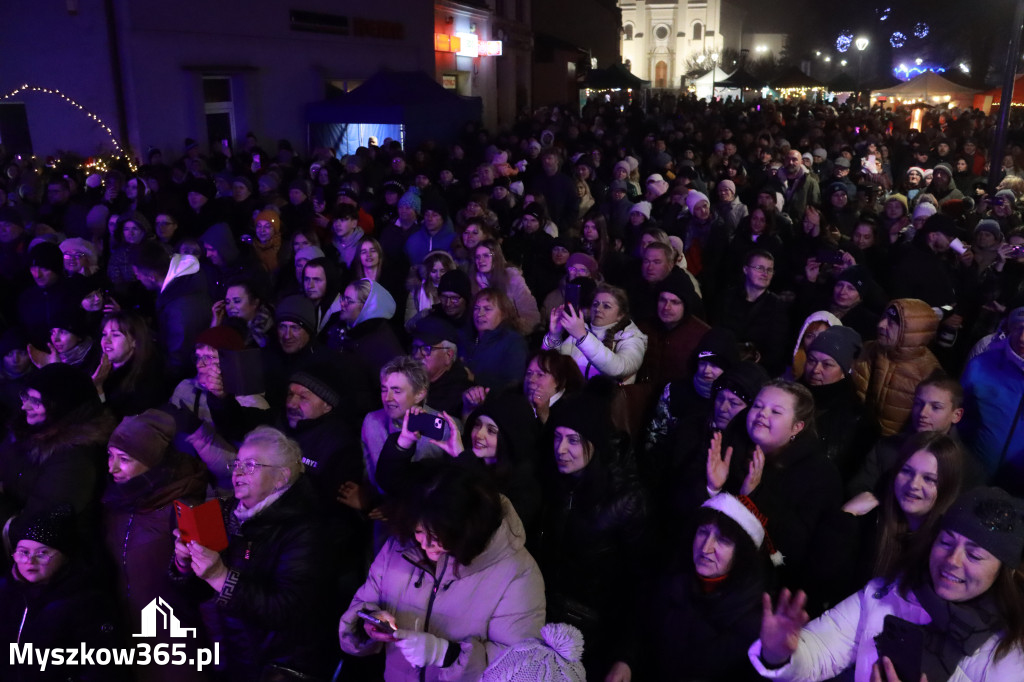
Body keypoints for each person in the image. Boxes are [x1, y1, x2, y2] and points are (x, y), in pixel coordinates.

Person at [750, 487, 1024, 681]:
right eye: (946, 542)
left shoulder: (1011, 653)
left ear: (1004, 571)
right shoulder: (888, 591)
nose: (952, 560)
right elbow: (822, 650)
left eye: (975, 555)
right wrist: (780, 654)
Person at [339, 461, 545, 681]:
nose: (425, 545)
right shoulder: (400, 547)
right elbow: (363, 604)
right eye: (419, 531)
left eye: (437, 537)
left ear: (466, 530)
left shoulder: (516, 572)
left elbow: (518, 668)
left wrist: (446, 655)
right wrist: (369, 622)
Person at [172, 426, 338, 680]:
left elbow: (286, 610)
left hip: (279, 666)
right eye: (237, 463)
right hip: (233, 656)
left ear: (281, 477)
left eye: (250, 466)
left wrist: (220, 576)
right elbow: (196, 596)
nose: (237, 471)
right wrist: (185, 565)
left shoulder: (305, 529)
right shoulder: (224, 511)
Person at [708, 380, 850, 608]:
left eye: (775, 411)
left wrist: (756, 495)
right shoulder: (730, 446)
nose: (762, 414)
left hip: (765, 592)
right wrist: (712, 488)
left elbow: (798, 551)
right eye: (757, 406)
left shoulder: (819, 475)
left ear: (797, 427)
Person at [538, 391, 649, 682]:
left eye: (573, 440)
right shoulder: (554, 482)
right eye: (557, 437)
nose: (561, 449)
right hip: (544, 618)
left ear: (595, 443)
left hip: (596, 634)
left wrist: (626, 656)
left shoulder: (625, 500)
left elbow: (639, 584)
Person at [101, 409, 208, 682]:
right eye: (110, 456)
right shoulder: (115, 502)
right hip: (126, 638)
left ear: (153, 462)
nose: (112, 467)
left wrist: (185, 567)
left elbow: (208, 588)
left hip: (175, 646)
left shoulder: (189, 506)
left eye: (124, 459)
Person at [647, 493, 771, 681]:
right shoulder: (673, 576)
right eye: (703, 532)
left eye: (723, 540)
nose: (705, 548)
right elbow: (639, 627)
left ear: (741, 555)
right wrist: (624, 660)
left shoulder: (751, 619)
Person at [1, 506, 126, 682]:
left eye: (42, 553)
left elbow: (102, 664)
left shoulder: (85, 601)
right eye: (23, 552)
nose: (30, 560)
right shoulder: (7, 591)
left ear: (65, 556)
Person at [0, 363, 117, 539]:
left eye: (36, 401)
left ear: (61, 408)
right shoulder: (25, 429)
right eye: (26, 396)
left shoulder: (75, 461)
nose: (25, 407)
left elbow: (39, 527)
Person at [852, 299, 941, 436]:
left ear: (912, 331)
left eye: (891, 322)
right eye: (884, 318)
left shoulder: (928, 374)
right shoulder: (868, 349)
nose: (881, 325)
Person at [799, 325, 877, 480]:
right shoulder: (789, 397)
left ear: (845, 369)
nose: (815, 370)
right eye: (812, 361)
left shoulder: (858, 418)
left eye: (827, 364)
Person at [960, 305, 1024, 490]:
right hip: (974, 475)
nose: (1022, 338)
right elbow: (960, 415)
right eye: (1019, 328)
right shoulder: (982, 364)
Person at [542, 283, 648, 384]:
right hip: (575, 397)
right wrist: (555, 335)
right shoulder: (583, 329)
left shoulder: (631, 337)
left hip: (609, 400)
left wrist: (582, 336)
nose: (598, 309)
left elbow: (619, 368)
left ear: (620, 315)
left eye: (606, 306)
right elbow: (555, 366)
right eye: (595, 304)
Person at [92, 311, 167, 417]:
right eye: (104, 334)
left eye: (115, 335)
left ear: (134, 341)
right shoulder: (98, 363)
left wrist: (98, 389)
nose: (106, 340)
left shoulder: (146, 379)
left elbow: (115, 424)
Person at [458, 288, 529, 391]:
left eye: (487, 309)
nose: (480, 314)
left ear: (504, 313)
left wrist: (475, 378)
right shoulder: (465, 338)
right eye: (476, 308)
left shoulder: (514, 343)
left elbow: (514, 384)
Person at [469, 239, 542, 334]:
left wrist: (513, 332)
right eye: (477, 257)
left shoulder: (512, 278)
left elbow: (530, 314)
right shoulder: (473, 282)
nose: (481, 260)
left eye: (486, 256)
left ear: (496, 257)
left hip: (511, 334)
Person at [523, 349, 585, 424]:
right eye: (529, 373)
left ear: (558, 380)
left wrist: (544, 416)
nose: (531, 380)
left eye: (540, 375)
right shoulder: (517, 403)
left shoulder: (572, 410)